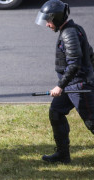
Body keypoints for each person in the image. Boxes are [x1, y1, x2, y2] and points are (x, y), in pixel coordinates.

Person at [35, 0, 94, 163]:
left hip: (79, 85)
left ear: (57, 18)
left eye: (48, 20)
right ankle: (63, 155)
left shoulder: (69, 33)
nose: (47, 24)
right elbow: (89, 53)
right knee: (56, 112)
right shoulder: (73, 29)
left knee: (92, 122)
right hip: (71, 85)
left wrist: (60, 86)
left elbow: (74, 63)